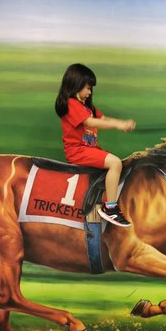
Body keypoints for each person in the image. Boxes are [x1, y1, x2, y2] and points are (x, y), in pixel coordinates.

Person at [55, 63, 136, 227]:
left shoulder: (86, 107)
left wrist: (123, 123)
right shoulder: (71, 104)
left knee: (115, 164)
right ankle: (110, 208)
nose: (90, 92)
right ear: (76, 85)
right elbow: (90, 122)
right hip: (78, 152)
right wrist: (118, 125)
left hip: (89, 149)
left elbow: (102, 119)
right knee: (115, 163)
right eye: (87, 88)